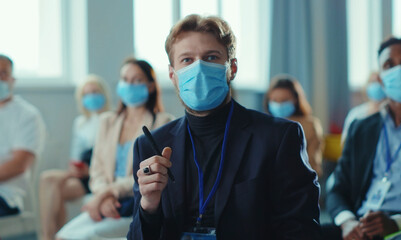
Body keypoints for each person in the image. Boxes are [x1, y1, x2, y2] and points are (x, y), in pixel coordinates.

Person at [128, 14, 321, 240]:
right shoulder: (151, 145)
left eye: (211, 57)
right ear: (173, 75)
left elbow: (301, 229)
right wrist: (149, 206)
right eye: (187, 60)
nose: (199, 68)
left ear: (232, 68)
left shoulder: (277, 138)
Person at [56, 59, 174, 239]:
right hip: (106, 200)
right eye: (125, 79)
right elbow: (97, 170)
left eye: (137, 80)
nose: (129, 85)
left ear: (150, 86)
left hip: (134, 202)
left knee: (84, 237)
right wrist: (105, 197)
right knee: (62, 236)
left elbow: (149, 173)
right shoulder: (107, 121)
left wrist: (109, 193)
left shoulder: (163, 122)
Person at [326, 37, 401, 240]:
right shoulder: (360, 127)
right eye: (389, 65)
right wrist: (347, 222)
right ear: (380, 78)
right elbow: (338, 188)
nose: (398, 70)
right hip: (359, 224)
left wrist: (396, 222)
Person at [39, 74, 111, 240]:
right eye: (86, 94)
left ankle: (47, 237)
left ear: (103, 94)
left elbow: (113, 158)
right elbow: (75, 155)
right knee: (48, 180)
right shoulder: (81, 123)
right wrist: (75, 169)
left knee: (51, 184)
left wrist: (90, 171)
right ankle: (50, 235)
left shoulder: (111, 119)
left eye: (95, 92)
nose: (91, 97)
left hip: (98, 176)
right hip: (81, 174)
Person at [0, 54, 45, 216]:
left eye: (3, 73)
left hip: (6, 196)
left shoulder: (27, 115)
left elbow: (20, 164)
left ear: (13, 79)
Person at [264, 74, 324, 177]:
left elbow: (313, 165)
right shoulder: (264, 124)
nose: (279, 105)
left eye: (284, 100)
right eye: (274, 100)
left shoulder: (310, 126)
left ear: (296, 100)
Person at [341, 71, 386, 144]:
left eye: (379, 82)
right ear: (366, 86)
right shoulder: (355, 114)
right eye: (373, 82)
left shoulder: (391, 116)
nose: (377, 85)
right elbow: (345, 143)